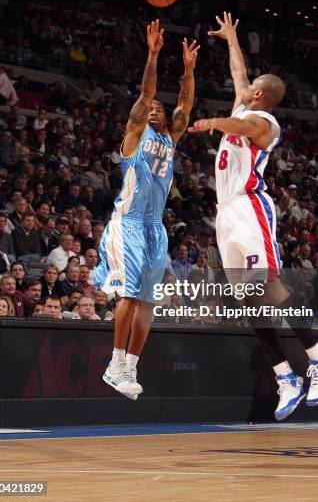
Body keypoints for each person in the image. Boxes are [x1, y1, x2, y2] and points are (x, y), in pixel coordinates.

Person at [189, 12, 318, 421]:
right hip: (226, 214)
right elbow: (239, 73)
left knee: (270, 290)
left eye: (250, 88)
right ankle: (285, 376)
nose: (244, 87)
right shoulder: (247, 102)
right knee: (248, 302)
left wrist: (210, 122)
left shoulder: (265, 123)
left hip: (250, 207)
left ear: (260, 95)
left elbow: (241, 122)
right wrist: (232, 40)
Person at [95, 20, 199, 400]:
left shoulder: (170, 138)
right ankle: (114, 363)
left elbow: (185, 105)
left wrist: (188, 70)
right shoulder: (134, 135)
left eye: (159, 108)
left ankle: (130, 368)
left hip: (156, 227)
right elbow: (145, 92)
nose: (155, 109)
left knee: (148, 301)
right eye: (151, 108)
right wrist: (153, 54)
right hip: (128, 223)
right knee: (130, 296)